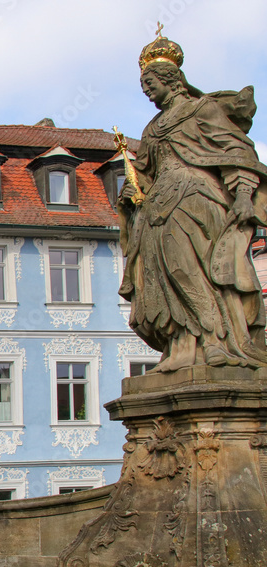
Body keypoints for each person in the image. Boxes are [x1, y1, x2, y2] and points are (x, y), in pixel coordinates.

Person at [118, 28, 267, 371]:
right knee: (155, 275)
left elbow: (237, 152)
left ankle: (215, 341)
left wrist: (243, 194)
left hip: (196, 197)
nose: (147, 92)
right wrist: (132, 189)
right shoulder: (152, 129)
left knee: (188, 269)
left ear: (170, 79)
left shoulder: (202, 109)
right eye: (143, 87)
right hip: (158, 205)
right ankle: (181, 346)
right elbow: (145, 172)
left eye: (150, 85)